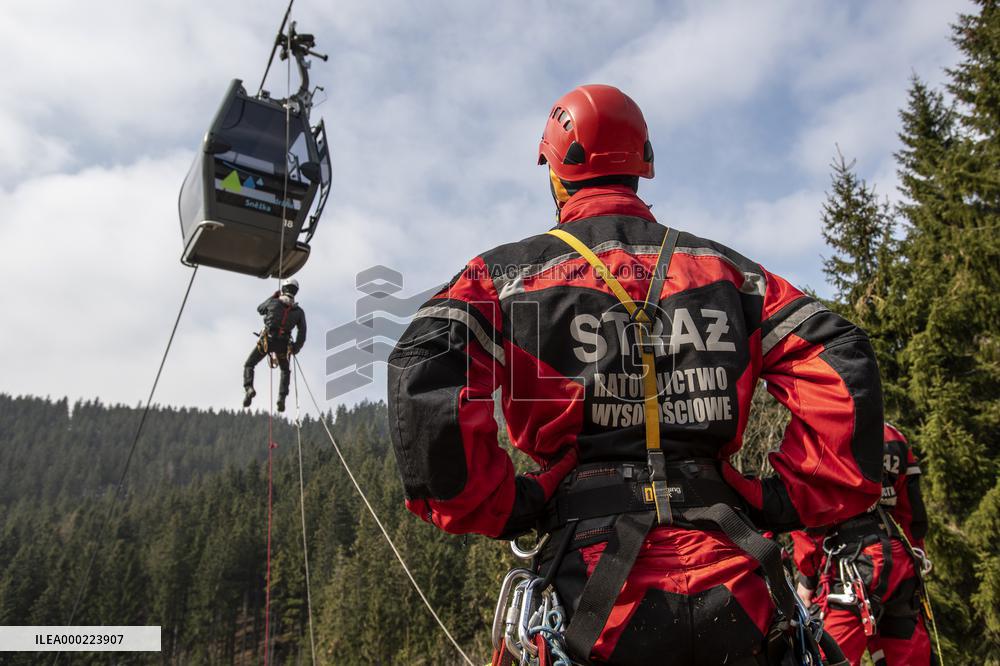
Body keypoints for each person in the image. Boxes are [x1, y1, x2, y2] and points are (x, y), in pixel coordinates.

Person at [387, 84, 883, 664]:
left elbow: (423, 366)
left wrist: (508, 504)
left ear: (555, 171)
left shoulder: (509, 276)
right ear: (642, 168)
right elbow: (839, 356)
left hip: (591, 594)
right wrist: (776, 498)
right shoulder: (729, 273)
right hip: (739, 584)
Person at [792, 423, 932, 666]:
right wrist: (916, 556)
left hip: (850, 563)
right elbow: (913, 512)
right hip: (899, 561)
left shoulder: (822, 431)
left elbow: (810, 512)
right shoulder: (893, 436)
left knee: (827, 654)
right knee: (908, 653)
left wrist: (806, 580)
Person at [243, 279, 306, 413]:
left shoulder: (273, 302)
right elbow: (302, 332)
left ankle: (249, 388)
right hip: (283, 344)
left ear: (283, 289)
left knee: (249, 364)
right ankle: (281, 398)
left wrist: (273, 296)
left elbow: (260, 309)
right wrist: (296, 347)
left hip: (268, 341)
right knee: (284, 370)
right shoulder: (299, 311)